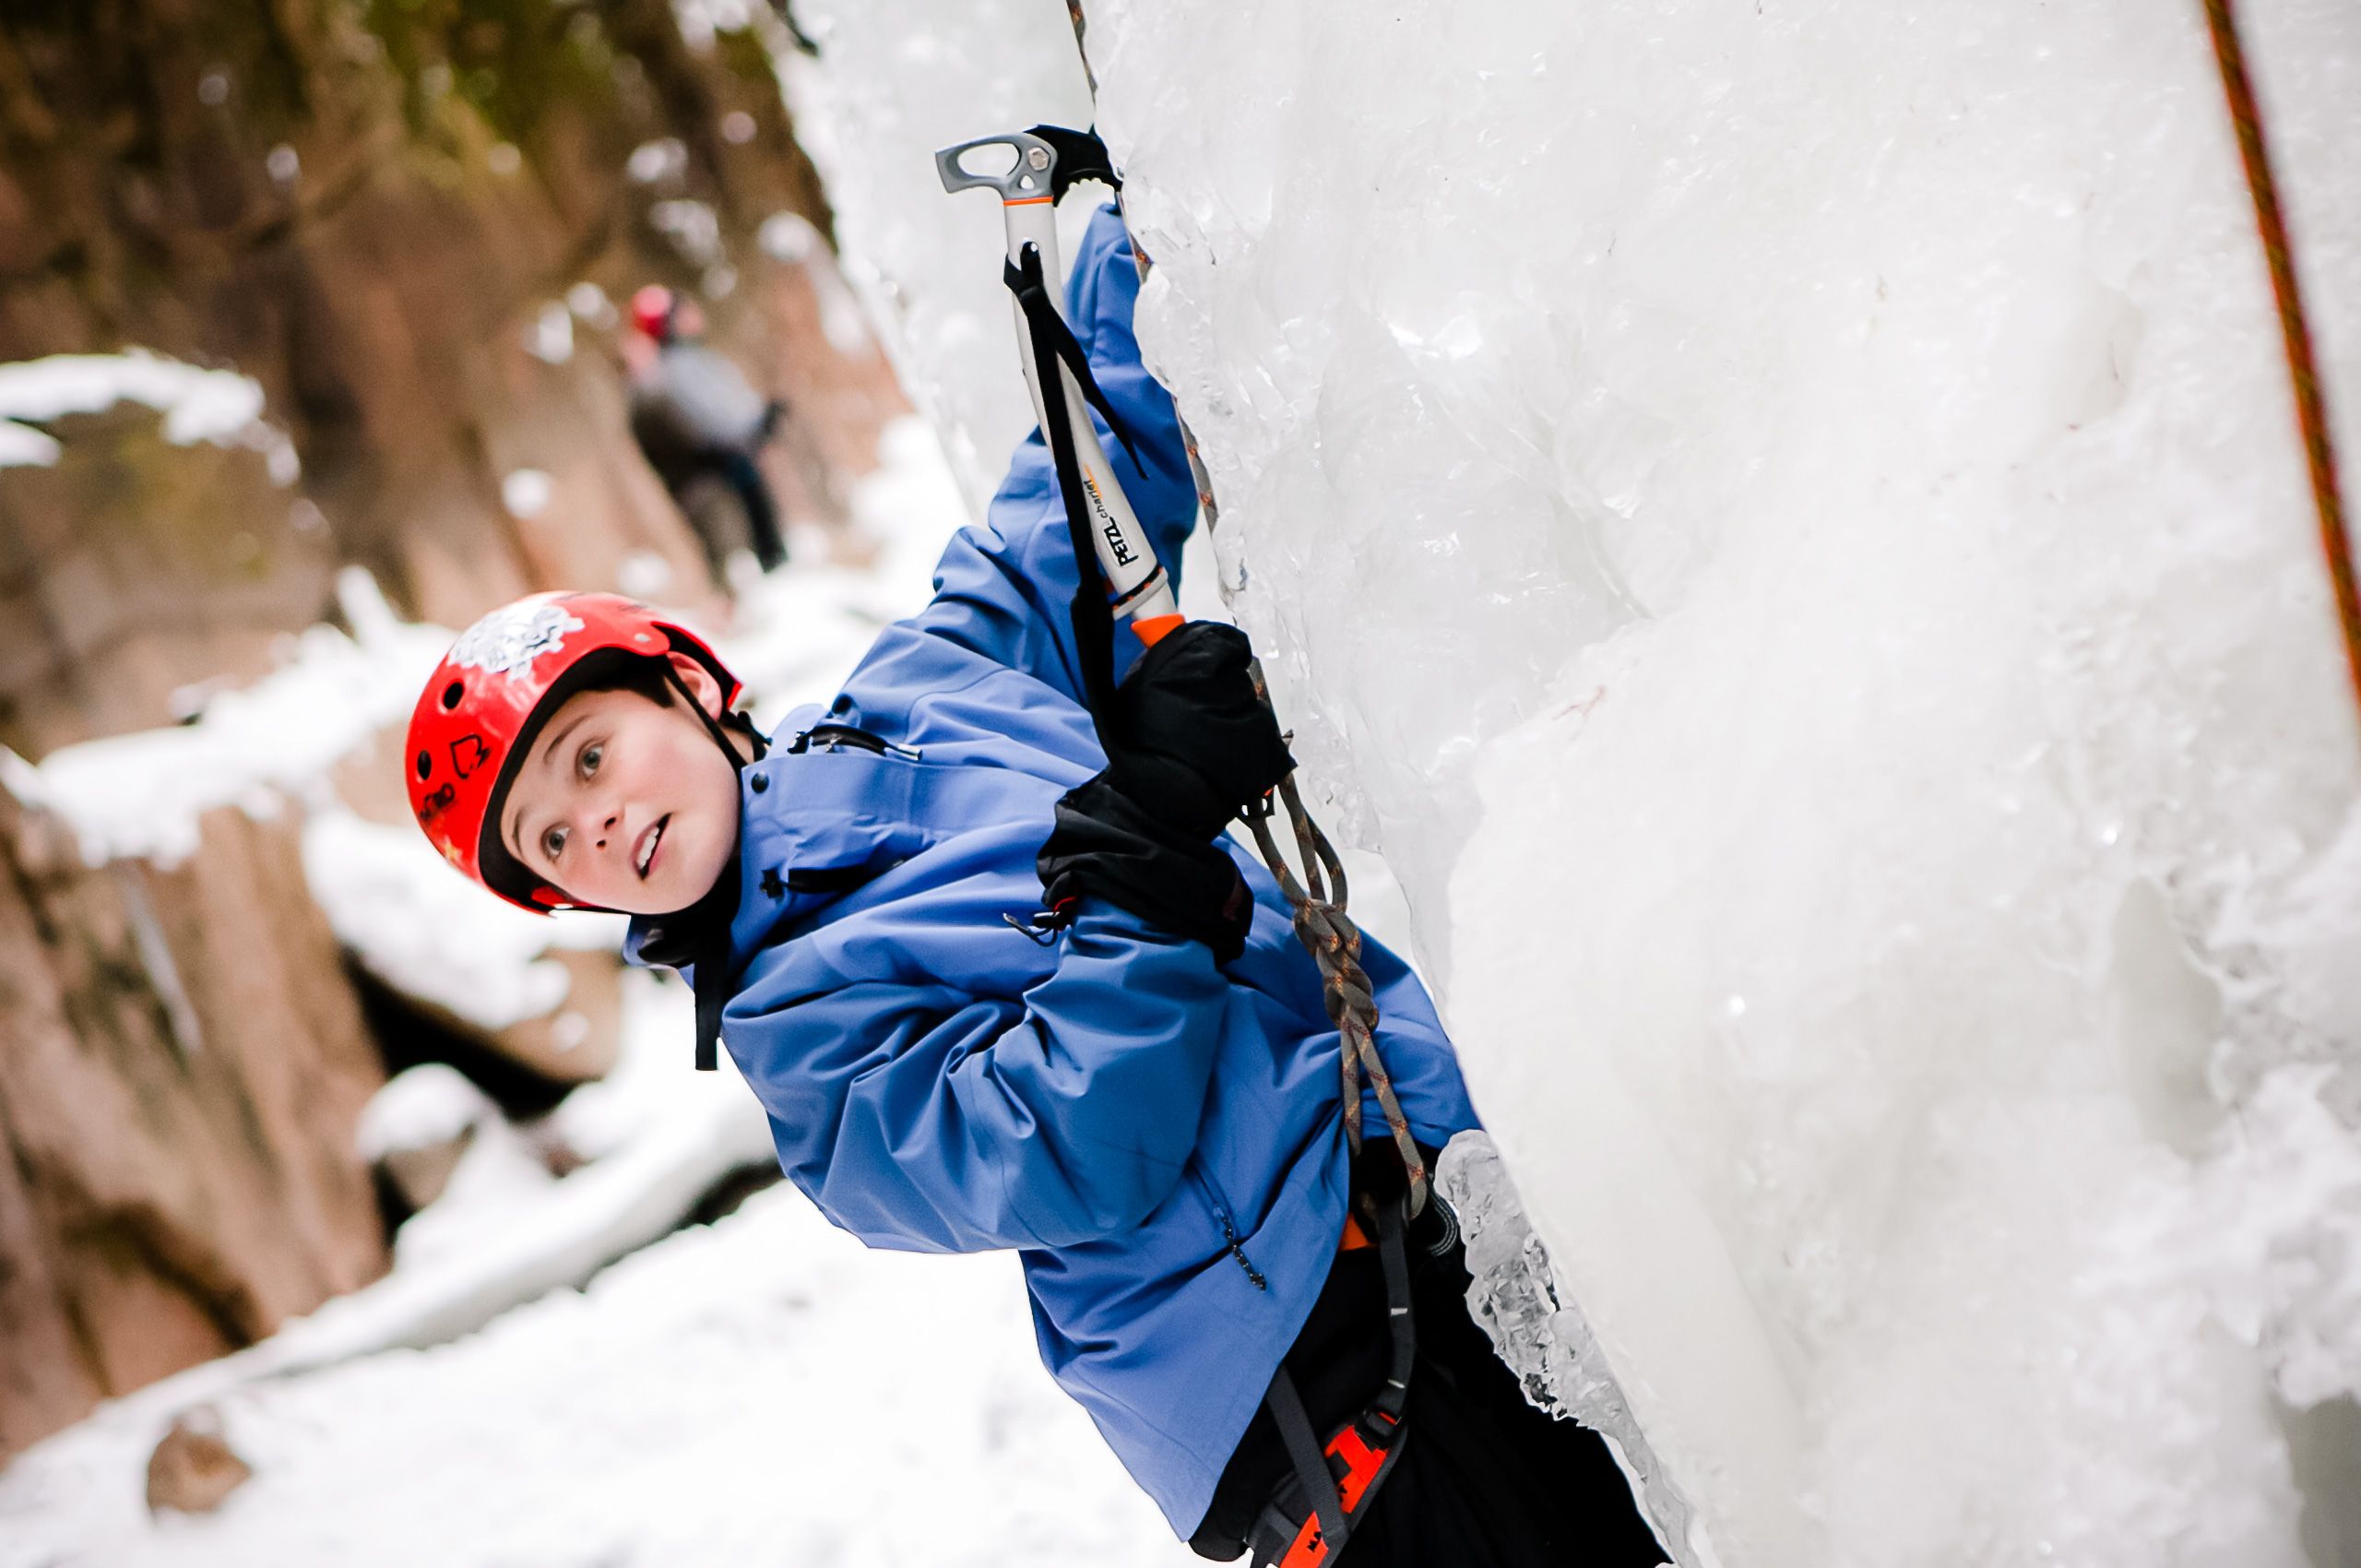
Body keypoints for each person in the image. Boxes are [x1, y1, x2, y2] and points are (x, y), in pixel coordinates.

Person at [407, 206, 1665, 1567]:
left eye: (590, 757)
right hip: (1330, 1391)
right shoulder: (807, 1068)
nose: (596, 825)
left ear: (680, 685)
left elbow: (1071, 507)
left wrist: (1146, 212)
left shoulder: (929, 687)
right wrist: (1153, 851)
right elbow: (1075, 1146)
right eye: (549, 842)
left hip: (1445, 1180)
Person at [624, 284, 789, 583]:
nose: (694, 315)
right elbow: (711, 426)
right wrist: (752, 430)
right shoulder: (670, 374)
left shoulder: (693, 361)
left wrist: (760, 422)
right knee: (745, 565)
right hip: (716, 489)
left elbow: (729, 410)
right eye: (683, 312)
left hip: (732, 475)